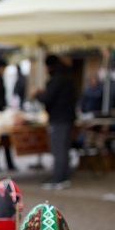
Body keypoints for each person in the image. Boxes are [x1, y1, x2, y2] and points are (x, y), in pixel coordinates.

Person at [35, 54, 76, 190]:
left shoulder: (56, 79)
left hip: (59, 118)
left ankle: (59, 178)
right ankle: (63, 176)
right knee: (63, 148)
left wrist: (37, 94)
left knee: (58, 149)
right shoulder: (68, 76)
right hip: (67, 117)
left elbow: (47, 98)